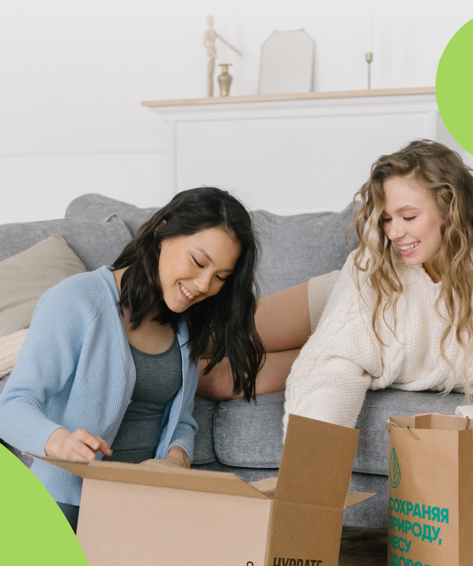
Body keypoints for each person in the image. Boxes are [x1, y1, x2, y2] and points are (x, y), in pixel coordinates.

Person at [0, 187, 264, 531]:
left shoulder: (185, 324)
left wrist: (175, 459)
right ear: (162, 231)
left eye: (220, 278)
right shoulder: (75, 301)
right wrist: (60, 441)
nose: (203, 285)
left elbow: (181, 420)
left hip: (144, 508)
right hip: (65, 505)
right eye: (199, 262)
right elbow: (12, 405)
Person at [199, 140, 473, 435]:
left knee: (222, 382)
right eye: (386, 219)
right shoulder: (374, 263)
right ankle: (144, 356)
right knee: (211, 337)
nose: (394, 232)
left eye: (408, 217)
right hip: (351, 296)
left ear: (449, 206)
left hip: (370, 344)